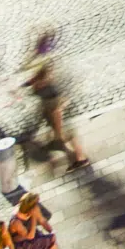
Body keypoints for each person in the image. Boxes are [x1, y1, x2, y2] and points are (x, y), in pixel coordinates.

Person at [23, 31, 85, 166]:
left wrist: (25, 85)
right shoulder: (44, 58)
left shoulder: (43, 62)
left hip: (53, 102)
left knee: (66, 130)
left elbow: (38, 79)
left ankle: (79, 158)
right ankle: (57, 141)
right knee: (55, 125)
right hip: (51, 101)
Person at [7, 194, 76, 249]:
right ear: (30, 208)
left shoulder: (34, 208)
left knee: (50, 245)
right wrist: (33, 218)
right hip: (22, 245)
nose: (37, 205)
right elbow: (30, 236)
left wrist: (51, 231)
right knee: (50, 242)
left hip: (34, 236)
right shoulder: (16, 222)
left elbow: (42, 220)